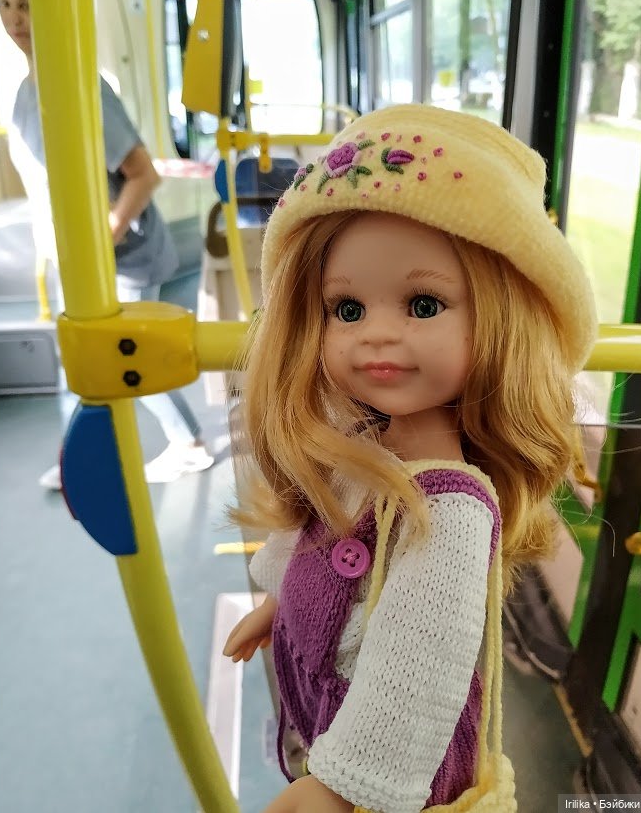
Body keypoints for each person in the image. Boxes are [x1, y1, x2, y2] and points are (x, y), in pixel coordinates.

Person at [223, 104, 597, 812]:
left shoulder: (451, 512)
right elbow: (315, 528)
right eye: (347, 309)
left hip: (391, 770)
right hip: (326, 714)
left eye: (423, 305)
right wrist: (281, 601)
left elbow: (417, 671)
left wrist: (337, 790)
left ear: (501, 325)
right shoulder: (360, 445)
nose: (375, 336)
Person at [0, 0, 214, 489]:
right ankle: (84, 458)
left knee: (120, 356)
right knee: (81, 358)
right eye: (5, 5)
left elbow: (143, 175)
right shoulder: (25, 92)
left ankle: (183, 445)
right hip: (74, 256)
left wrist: (96, 246)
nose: (16, 19)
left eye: (27, 5)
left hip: (120, 255)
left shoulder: (79, 87)